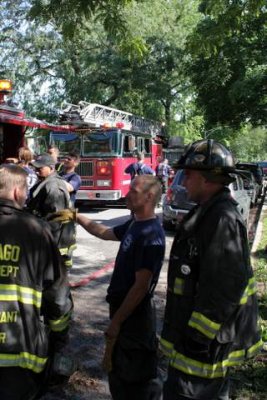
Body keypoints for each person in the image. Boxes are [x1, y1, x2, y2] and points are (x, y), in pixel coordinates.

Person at [160, 139, 262, 400]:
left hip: (203, 348)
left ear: (208, 179)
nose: (182, 182)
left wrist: (198, 336)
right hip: (198, 342)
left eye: (188, 174)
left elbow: (224, 287)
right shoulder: (208, 213)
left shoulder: (221, 219)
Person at [53, 175, 165, 399]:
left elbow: (140, 287)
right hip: (124, 312)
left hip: (135, 318)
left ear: (149, 196)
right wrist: (76, 217)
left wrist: (116, 322)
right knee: (119, 371)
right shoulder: (135, 224)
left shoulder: (151, 235)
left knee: (137, 377)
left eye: (133, 191)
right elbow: (103, 232)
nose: (127, 195)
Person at [0, 163, 73, 399]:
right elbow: (58, 295)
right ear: (17, 192)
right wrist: (59, 338)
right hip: (20, 350)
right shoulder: (38, 231)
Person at [27, 153, 76, 270]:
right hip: (52, 238)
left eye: (40, 168)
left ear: (52, 168)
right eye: (35, 168)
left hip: (56, 241)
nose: (37, 171)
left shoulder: (54, 187)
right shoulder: (46, 182)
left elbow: (57, 220)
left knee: (54, 275)